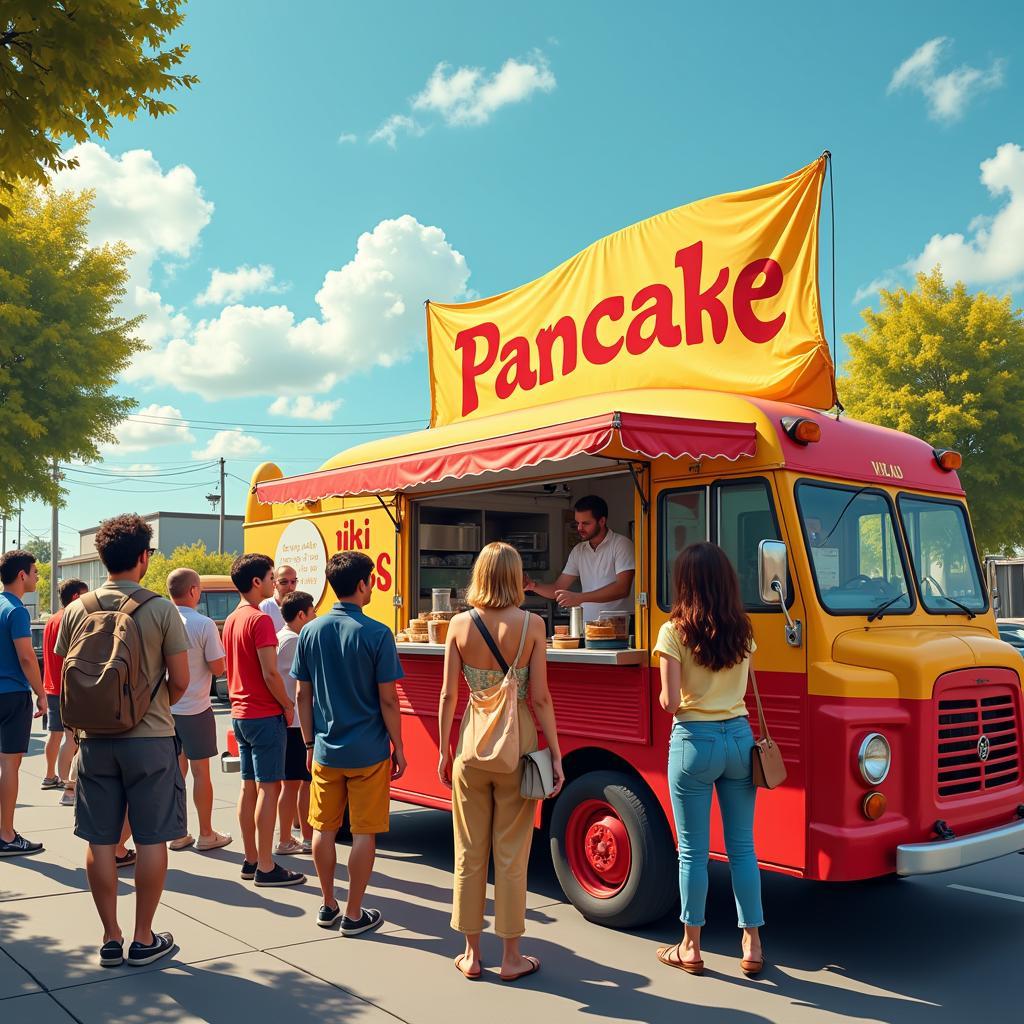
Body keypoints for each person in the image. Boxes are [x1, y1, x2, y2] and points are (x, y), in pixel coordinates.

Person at [54, 514, 191, 967]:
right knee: (151, 839)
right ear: (143, 557)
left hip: (93, 740)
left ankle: (110, 937)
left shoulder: (76, 609)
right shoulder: (160, 608)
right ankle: (143, 936)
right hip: (150, 738)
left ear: (101, 557)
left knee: (99, 840)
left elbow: (65, 677)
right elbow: (183, 680)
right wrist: (149, 707)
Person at [438, 541, 564, 982]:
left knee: (469, 851)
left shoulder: (457, 624)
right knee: (512, 854)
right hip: (520, 745)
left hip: (471, 747)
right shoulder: (532, 624)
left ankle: (471, 955)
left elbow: (449, 695)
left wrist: (442, 749)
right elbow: (541, 697)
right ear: (514, 577)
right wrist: (556, 751)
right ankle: (512, 957)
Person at [654, 541, 764, 978]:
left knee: (693, 853)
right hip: (739, 739)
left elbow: (667, 702)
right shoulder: (744, 628)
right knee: (742, 848)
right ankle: (752, 944)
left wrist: (687, 698)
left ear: (685, 582)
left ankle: (690, 947)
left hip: (694, 742)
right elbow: (744, 683)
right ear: (726, 581)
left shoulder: (672, 632)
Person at [293, 551, 405, 935]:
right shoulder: (377, 633)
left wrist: (309, 744)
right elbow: (389, 699)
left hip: (325, 750)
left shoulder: (310, 631)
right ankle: (354, 913)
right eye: (371, 580)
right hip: (369, 751)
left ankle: (327, 904)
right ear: (362, 584)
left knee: (322, 830)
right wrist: (400, 747)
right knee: (363, 833)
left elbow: (301, 696)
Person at [224, 553, 305, 888]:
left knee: (249, 788)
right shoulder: (258, 621)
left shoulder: (232, 618)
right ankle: (267, 867)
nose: (276, 584)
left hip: (240, 713)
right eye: (272, 577)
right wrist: (287, 704)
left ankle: (251, 858)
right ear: (257, 582)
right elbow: (271, 673)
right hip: (263, 713)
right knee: (268, 790)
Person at [166, 567, 232, 853]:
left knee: (175, 773)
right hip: (196, 707)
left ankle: (177, 833)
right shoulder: (203, 623)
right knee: (201, 772)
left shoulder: (162, 620)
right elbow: (218, 667)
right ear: (193, 591)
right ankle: (206, 833)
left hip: (167, 709)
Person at [0, 550, 47, 857]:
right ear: (22, 576)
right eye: (35, 572)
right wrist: (41, 694)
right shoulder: (17, 611)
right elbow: (27, 657)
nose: (37, 577)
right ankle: (6, 834)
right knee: (9, 765)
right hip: (13, 695)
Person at [524, 495, 635, 624]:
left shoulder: (621, 544)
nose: (579, 528)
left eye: (586, 523)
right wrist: (533, 586)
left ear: (602, 521)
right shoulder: (578, 550)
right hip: (588, 626)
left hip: (620, 626)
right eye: (577, 523)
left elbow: (622, 589)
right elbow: (558, 588)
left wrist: (579, 597)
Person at [41, 577, 88, 793]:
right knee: (72, 738)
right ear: (76, 596)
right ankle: (68, 785)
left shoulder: (52, 619)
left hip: (51, 685)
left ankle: (50, 775)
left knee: (55, 734)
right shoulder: (72, 618)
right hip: (67, 687)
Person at [259, 564, 297, 632]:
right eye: (284, 582)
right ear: (274, 584)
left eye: (293, 581)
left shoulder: (301, 607)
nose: (290, 586)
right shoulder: (264, 607)